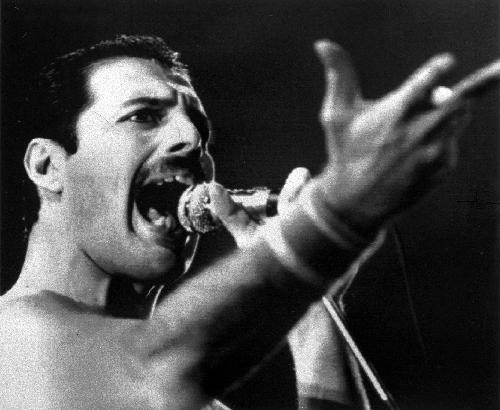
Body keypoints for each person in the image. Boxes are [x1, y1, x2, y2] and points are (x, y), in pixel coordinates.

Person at [0, 34, 497, 409]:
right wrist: (336, 213)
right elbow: (151, 370)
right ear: (47, 166)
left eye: (200, 126)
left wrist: (313, 313)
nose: (193, 140)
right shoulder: (10, 341)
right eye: (143, 116)